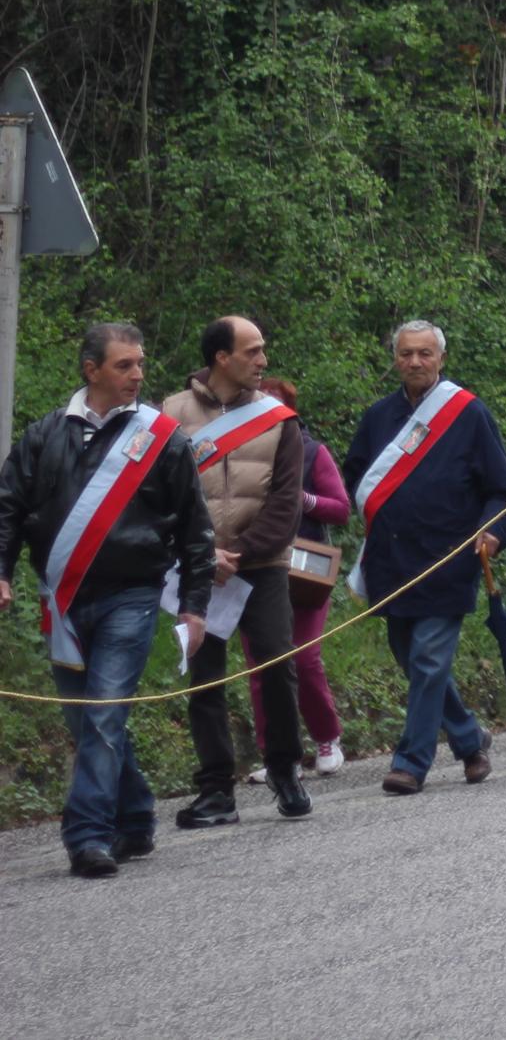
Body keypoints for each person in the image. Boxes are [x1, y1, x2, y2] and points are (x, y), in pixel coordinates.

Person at [0, 323, 214, 876]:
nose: (138, 375)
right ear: (90, 370)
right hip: (63, 601)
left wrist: (193, 604)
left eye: (140, 364)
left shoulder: (163, 438)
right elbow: (7, 509)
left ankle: (87, 836)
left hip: (132, 596)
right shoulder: (44, 435)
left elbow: (196, 528)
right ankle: (137, 815)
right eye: (124, 366)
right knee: (86, 719)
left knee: (103, 713)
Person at [341, 321, 506, 794]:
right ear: (395, 359)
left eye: (425, 354)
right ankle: (468, 737)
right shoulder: (377, 417)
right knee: (412, 657)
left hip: (448, 560)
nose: (415, 363)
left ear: (441, 358)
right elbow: (356, 479)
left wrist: (493, 533)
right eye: (406, 354)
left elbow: (504, 489)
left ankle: (411, 762)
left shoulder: (468, 414)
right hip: (391, 562)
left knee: (427, 659)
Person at [161, 315, 310, 825]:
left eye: (262, 350)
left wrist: (240, 554)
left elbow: (286, 503)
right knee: (204, 676)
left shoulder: (280, 419)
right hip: (196, 566)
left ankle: (285, 769)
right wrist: (201, 555)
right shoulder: (170, 415)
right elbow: (162, 497)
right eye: (252, 351)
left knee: (275, 662)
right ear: (221, 357)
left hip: (261, 565)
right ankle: (215, 789)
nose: (262, 361)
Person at [246, 377, 347, 779]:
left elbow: (340, 508)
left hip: (305, 570)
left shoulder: (311, 452)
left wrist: (305, 500)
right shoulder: (238, 453)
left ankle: (327, 738)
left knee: (304, 659)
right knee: (260, 665)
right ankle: (276, 755)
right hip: (254, 566)